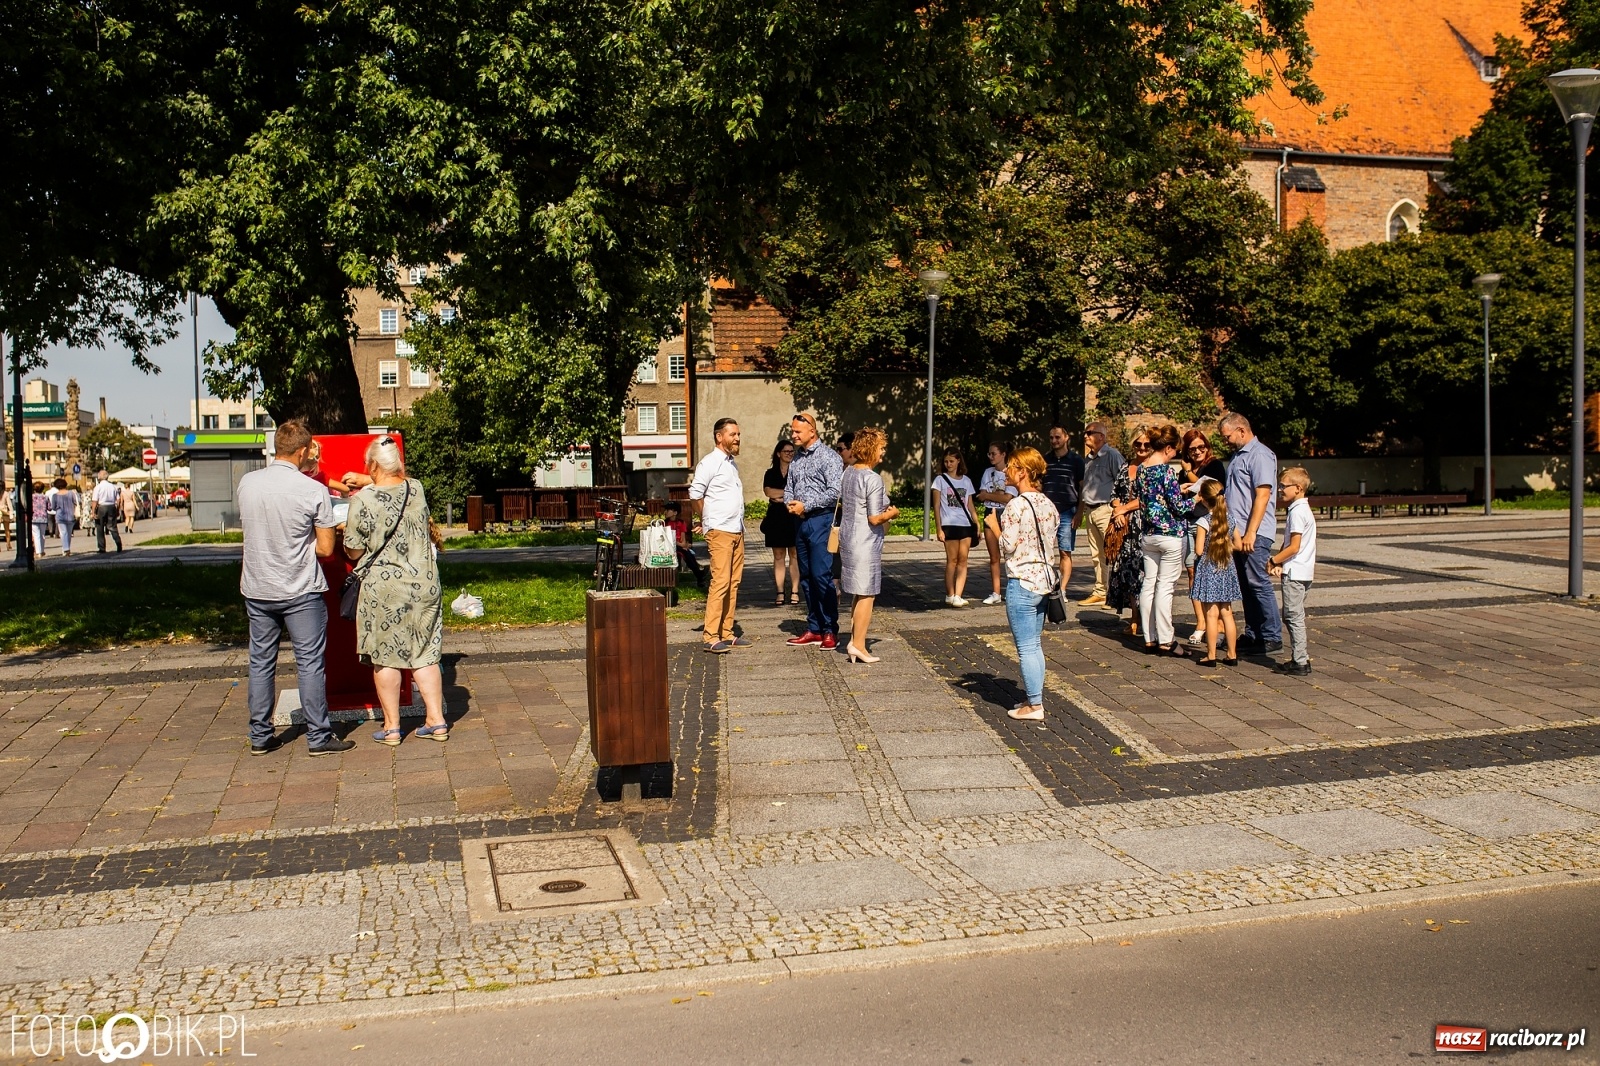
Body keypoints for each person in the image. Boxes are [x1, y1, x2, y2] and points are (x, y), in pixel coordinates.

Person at [236, 419, 352, 758]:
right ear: (302, 451)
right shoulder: (312, 490)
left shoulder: (248, 483)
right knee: (310, 663)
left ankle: (260, 735)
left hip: (257, 586)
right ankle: (318, 737)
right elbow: (326, 549)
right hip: (300, 588)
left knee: (260, 662)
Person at [341, 436, 450, 744]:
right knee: (425, 653)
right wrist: (372, 477)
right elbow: (399, 483)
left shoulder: (361, 500)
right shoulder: (416, 490)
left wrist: (365, 484)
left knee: (385, 656)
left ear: (373, 464)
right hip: (424, 585)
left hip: (384, 590)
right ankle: (436, 721)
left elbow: (352, 550)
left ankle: (391, 728)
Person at [984, 446, 1059, 722]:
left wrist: (994, 525)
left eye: (1011, 467)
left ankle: (1035, 705)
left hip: (1022, 581)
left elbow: (1008, 547)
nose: (1006, 471)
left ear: (1023, 472)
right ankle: (1033, 697)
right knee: (1035, 644)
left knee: (1026, 647)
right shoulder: (1048, 504)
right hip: (1044, 581)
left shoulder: (1015, 505)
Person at [1220, 412, 1283, 653]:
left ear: (1241, 431)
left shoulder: (1260, 455)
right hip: (1237, 532)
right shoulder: (1238, 456)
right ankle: (1254, 633)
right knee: (1246, 584)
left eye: (1227, 437)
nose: (1226, 442)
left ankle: (1271, 636)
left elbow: (1263, 495)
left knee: (1258, 582)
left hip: (1253, 532)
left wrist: (1251, 532)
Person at [783, 412, 845, 648]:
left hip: (821, 520)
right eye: (792, 430)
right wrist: (790, 503)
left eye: (798, 431)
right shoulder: (796, 459)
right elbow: (790, 486)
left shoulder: (829, 457)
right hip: (800, 523)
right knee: (806, 577)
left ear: (812, 430)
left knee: (822, 576)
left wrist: (806, 505)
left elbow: (834, 492)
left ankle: (830, 629)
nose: (794, 435)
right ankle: (814, 628)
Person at [838, 427, 899, 662]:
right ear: (872, 449)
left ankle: (856, 641)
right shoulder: (872, 478)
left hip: (848, 538)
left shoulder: (849, 472)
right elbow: (875, 517)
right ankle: (859, 645)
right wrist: (892, 514)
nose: (883, 453)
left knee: (857, 592)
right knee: (867, 594)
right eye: (882, 448)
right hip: (865, 541)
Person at [687, 417, 747, 653]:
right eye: (733, 434)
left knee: (733, 583)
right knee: (720, 582)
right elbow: (695, 493)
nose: (737, 438)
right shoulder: (710, 462)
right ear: (719, 436)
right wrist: (705, 519)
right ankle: (711, 636)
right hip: (720, 531)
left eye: (738, 434)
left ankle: (727, 632)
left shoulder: (732, 463)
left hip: (736, 529)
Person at [1135, 424, 1191, 655]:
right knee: (1165, 588)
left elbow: (1147, 499)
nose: (1176, 453)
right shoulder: (1167, 472)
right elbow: (1177, 507)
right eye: (1175, 449)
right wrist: (1194, 500)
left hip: (1148, 533)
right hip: (1169, 534)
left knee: (1148, 585)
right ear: (1168, 448)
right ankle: (1166, 639)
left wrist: (1179, 490)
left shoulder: (1141, 469)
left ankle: (1149, 637)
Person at [1178, 429, 1227, 646]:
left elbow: (1211, 490)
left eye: (1201, 447)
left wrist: (1189, 474)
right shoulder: (1183, 470)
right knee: (1192, 572)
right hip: (1189, 523)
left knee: (1213, 572)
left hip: (1210, 523)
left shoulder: (1214, 465)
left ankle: (1219, 625)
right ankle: (1201, 623)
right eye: (1192, 449)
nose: (1197, 452)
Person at [1269, 467, 1317, 676]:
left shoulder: (1297, 512)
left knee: (1293, 616)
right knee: (1293, 615)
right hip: (1302, 571)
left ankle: (1300, 661)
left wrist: (1274, 560)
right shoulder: (1301, 509)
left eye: (1283, 486)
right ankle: (1300, 657)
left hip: (1296, 573)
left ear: (1297, 488)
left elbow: (1294, 546)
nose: (1280, 490)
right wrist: (1281, 562)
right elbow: (1289, 542)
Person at [1189, 480, 1241, 667]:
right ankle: (1232, 654)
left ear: (1203, 499)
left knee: (1211, 615)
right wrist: (1225, 545)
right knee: (1227, 613)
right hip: (1226, 568)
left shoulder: (1204, 521)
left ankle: (1211, 655)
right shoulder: (1231, 519)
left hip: (1209, 569)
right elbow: (1240, 545)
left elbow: (1198, 550)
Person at [1105, 431, 1152, 633]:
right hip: (1124, 528)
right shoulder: (1126, 466)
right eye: (1138, 444)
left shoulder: (1152, 468)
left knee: (1144, 573)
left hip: (1143, 526)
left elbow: (1148, 498)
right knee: (1128, 573)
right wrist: (1118, 509)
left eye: (1146, 444)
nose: (1142, 448)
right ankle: (1134, 617)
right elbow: (1115, 492)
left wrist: (1124, 509)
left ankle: (1146, 618)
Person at [1078, 422, 1124, 607]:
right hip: (1091, 510)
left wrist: (1118, 510)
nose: (1085, 436)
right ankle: (1100, 591)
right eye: (1085, 433)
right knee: (1097, 554)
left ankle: (1115, 594)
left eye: (1090, 433)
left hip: (1106, 509)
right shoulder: (1089, 458)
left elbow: (1123, 481)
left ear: (1101, 436)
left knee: (1113, 552)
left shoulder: (1112, 455)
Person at [1041, 425, 1085, 596]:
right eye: (1051, 437)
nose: (1054, 441)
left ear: (1066, 438)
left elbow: (1083, 488)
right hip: (1047, 512)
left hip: (1068, 511)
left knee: (1065, 551)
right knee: (1045, 551)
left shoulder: (1076, 460)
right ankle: (1046, 584)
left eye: (1057, 437)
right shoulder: (1046, 459)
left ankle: (1063, 589)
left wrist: (1080, 512)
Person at [933, 447, 978, 607]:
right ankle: (950, 594)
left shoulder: (966, 481)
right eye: (946, 461)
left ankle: (959, 594)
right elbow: (936, 505)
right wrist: (938, 528)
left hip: (965, 524)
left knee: (963, 560)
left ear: (958, 461)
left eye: (951, 461)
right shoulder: (940, 480)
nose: (948, 464)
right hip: (949, 524)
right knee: (951, 560)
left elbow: (970, 505)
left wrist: (976, 523)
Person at [976, 441, 1017, 605]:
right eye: (989, 454)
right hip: (989, 512)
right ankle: (996, 591)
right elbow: (981, 494)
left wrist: (989, 496)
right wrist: (995, 495)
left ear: (1003, 454)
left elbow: (1008, 498)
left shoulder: (1011, 472)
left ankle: (1012, 590)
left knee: (1010, 553)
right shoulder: (988, 472)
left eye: (993, 453)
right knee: (994, 556)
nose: (991, 457)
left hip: (1006, 514)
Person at [761, 440, 801, 605]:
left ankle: (795, 591)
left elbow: (800, 493)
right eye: (786, 451)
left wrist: (780, 496)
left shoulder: (798, 471)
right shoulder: (770, 473)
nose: (789, 454)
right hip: (776, 517)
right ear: (778, 453)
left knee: (794, 554)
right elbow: (768, 492)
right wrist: (787, 494)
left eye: (792, 451)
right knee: (778, 555)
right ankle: (779, 592)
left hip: (793, 515)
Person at [661, 501, 707, 588]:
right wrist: (680, 544)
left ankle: (699, 576)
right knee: (685, 552)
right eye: (665, 510)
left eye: (668, 510)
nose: (665, 512)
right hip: (668, 547)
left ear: (675, 513)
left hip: (678, 546)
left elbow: (683, 539)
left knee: (688, 554)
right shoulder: (664, 523)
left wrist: (684, 545)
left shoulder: (681, 523)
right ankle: (700, 575)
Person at [90, 470, 122, 553]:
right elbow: (118, 500)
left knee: (100, 527)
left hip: (101, 507)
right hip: (111, 506)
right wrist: (117, 509)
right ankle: (118, 542)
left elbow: (94, 501)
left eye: (99, 474)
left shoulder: (98, 487)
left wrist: (93, 512)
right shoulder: (113, 486)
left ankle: (102, 547)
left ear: (100, 477)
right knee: (112, 526)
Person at [49, 478, 78, 556]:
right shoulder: (71, 493)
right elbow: (75, 503)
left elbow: (53, 507)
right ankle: (67, 548)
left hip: (60, 516)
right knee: (68, 533)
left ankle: (66, 549)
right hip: (70, 515)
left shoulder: (55, 496)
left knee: (63, 533)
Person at [29, 482, 48, 558]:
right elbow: (49, 507)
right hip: (43, 517)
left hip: (34, 517)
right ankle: (42, 551)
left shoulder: (31, 497)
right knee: (42, 535)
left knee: (36, 535)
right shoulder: (45, 497)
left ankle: (38, 552)